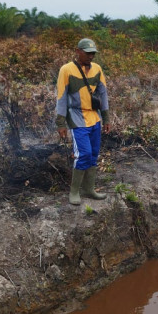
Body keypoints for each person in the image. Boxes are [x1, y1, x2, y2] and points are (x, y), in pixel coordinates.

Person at [56, 38, 111, 205]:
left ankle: (89, 189)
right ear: (78, 51)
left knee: (93, 154)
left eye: (93, 53)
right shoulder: (66, 70)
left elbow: (103, 94)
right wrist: (61, 123)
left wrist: (106, 118)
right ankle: (74, 192)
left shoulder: (97, 69)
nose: (91, 56)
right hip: (77, 117)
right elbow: (61, 97)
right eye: (87, 53)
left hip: (94, 118)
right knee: (83, 154)